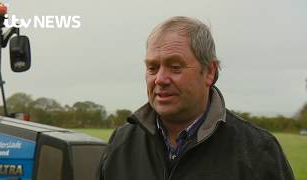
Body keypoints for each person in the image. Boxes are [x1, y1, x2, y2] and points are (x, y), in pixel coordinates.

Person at [97, 16, 294, 180]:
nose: (160, 79)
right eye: (152, 67)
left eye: (175, 67)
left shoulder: (258, 152)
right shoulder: (121, 144)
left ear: (209, 71)